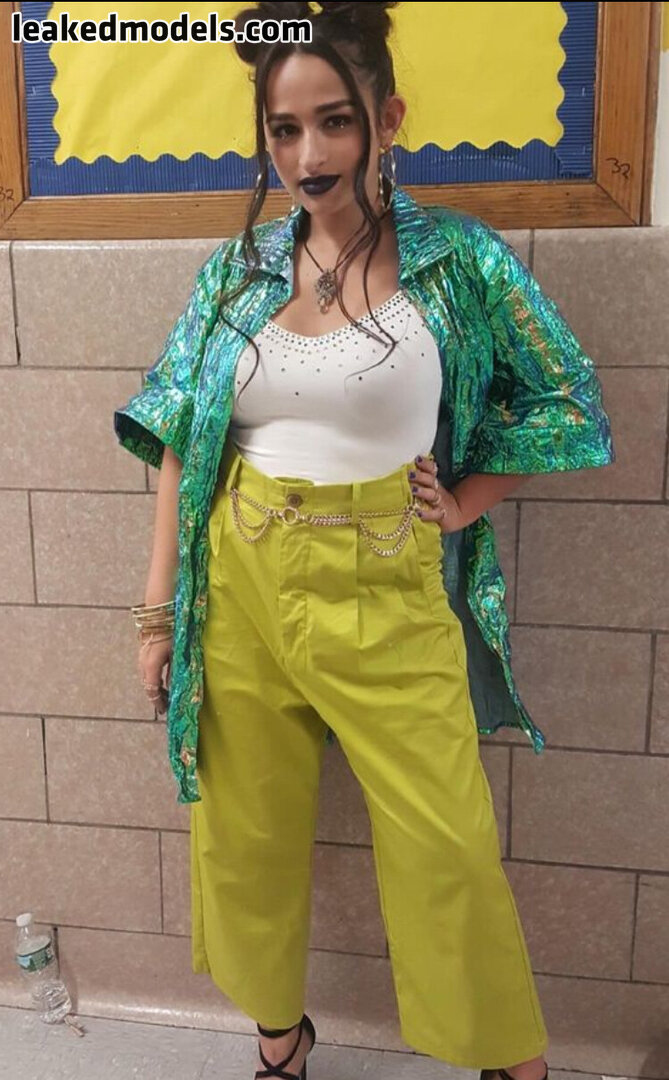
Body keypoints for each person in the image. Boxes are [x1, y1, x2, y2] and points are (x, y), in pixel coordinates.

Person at [114, 4, 615, 1080]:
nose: (309, 154)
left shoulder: (459, 261)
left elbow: (569, 400)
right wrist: (158, 614)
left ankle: (508, 1058)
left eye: (334, 121)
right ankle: (278, 1039)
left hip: (388, 579)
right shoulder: (238, 268)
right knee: (244, 837)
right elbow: (176, 434)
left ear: (387, 119)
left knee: (446, 845)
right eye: (285, 129)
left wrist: (465, 501)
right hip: (241, 580)